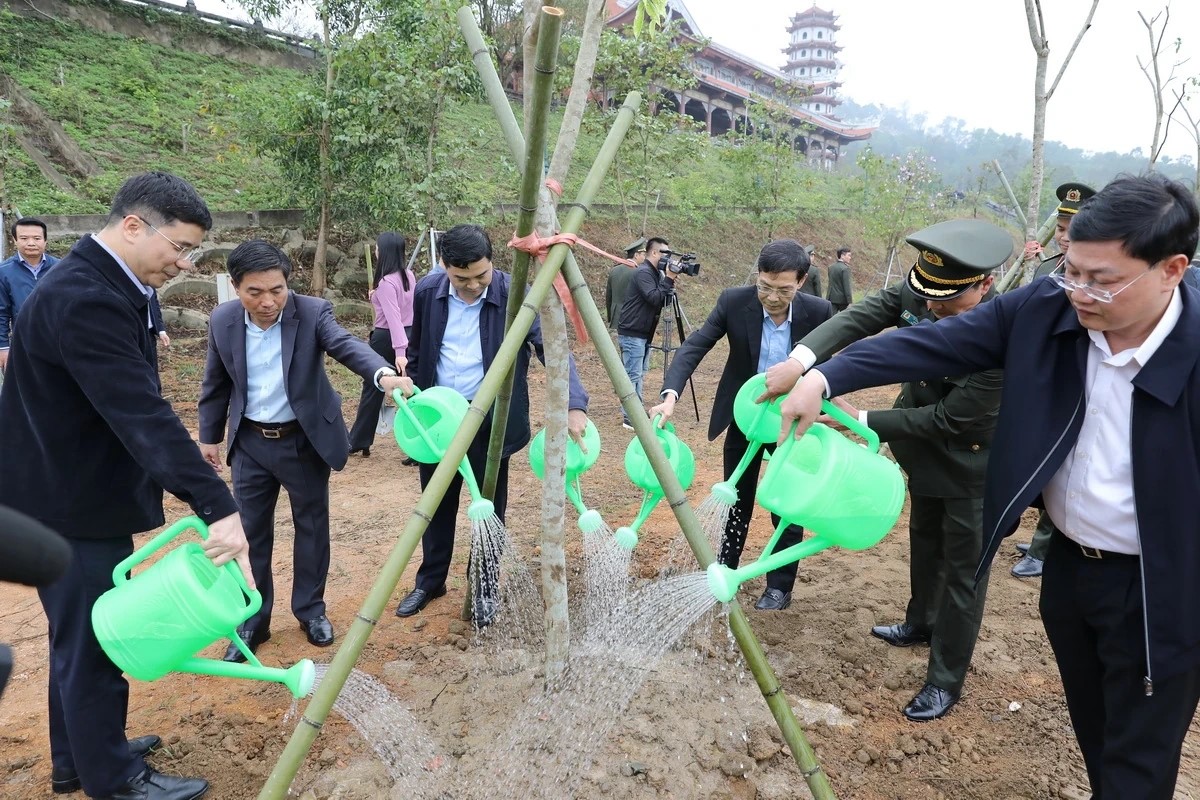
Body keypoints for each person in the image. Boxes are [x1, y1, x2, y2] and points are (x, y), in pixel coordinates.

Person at [777, 173, 1200, 798]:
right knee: (1101, 735)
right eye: (1071, 271)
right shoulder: (1046, 308)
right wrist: (824, 376)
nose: (1079, 292)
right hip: (1071, 575)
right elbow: (936, 341)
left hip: (1162, 589)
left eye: (1102, 281)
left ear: (1172, 269)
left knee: (1138, 758)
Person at [0, 171, 253, 800]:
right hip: (67, 505)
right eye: (179, 246)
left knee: (79, 638)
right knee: (94, 643)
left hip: (61, 494)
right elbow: (141, 413)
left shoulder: (108, 280)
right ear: (134, 226)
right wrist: (218, 504)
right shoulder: (87, 296)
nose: (184, 262)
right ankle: (112, 780)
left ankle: (81, 759)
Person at [763, 219, 1012, 722]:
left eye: (948, 300)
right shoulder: (928, 293)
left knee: (965, 573)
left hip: (972, 464)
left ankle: (945, 679)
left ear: (986, 285)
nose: (933, 308)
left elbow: (950, 418)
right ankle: (920, 622)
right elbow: (860, 317)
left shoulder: (1005, 336)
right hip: (920, 457)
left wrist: (859, 419)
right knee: (924, 540)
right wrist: (802, 361)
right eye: (928, 296)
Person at [198, 240, 406, 663]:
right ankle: (253, 619)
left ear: (287, 284)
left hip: (302, 439)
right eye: (255, 292)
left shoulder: (311, 312)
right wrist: (209, 435)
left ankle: (311, 610)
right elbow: (215, 382)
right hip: (251, 442)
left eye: (276, 290)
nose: (268, 301)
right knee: (250, 533)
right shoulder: (222, 320)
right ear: (235, 287)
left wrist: (382, 373)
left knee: (311, 527)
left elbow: (346, 345)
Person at [393, 224, 590, 624]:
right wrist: (411, 391)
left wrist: (573, 403)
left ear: (493, 263)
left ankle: (484, 588)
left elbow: (552, 350)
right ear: (444, 267)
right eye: (460, 278)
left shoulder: (513, 294)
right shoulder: (429, 292)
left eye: (480, 276)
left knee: (489, 507)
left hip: (492, 419)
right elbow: (417, 350)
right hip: (439, 418)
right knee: (435, 503)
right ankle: (431, 581)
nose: (472, 286)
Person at [648, 239, 833, 610]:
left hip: (792, 420)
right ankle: (725, 571)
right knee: (736, 497)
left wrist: (832, 401)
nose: (772, 297)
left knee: (786, 501)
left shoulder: (820, 311)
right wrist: (671, 393)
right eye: (764, 286)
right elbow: (695, 345)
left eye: (784, 289)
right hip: (746, 417)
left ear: (802, 280)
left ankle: (779, 586)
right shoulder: (735, 301)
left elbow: (835, 363)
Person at [1013, 182, 1097, 579]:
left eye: (1073, 228)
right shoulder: (1049, 269)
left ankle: (1044, 549)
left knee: (1066, 463)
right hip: (1044, 383)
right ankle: (1042, 538)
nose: (1064, 237)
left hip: (1080, 390)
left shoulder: (1098, 280)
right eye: (1061, 227)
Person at [348, 232, 416, 456]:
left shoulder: (387, 282)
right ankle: (418, 440)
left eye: (377, 247)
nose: (375, 251)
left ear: (383, 251)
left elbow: (393, 318)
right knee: (410, 388)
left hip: (388, 337)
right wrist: (376, 296)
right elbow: (405, 309)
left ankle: (359, 440)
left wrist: (400, 351)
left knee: (373, 386)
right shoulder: (408, 275)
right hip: (408, 332)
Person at [616, 236, 676, 429]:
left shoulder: (655, 274)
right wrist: (669, 279)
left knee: (640, 373)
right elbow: (653, 297)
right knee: (633, 375)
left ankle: (636, 411)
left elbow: (662, 300)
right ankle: (630, 416)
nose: (667, 259)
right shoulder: (643, 273)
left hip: (643, 332)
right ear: (654, 253)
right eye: (665, 254)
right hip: (633, 331)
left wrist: (669, 282)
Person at [0, 216, 61, 370]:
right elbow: (1, 312)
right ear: (15, 240)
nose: (31, 243)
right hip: (23, 343)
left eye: (36, 238)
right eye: (24, 238)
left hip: (58, 342)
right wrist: (3, 348)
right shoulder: (4, 271)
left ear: (45, 241)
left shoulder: (61, 268)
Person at [605, 237, 644, 331]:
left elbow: (608, 296)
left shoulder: (614, 270)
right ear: (636, 255)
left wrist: (610, 316)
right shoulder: (638, 272)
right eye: (643, 254)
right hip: (632, 318)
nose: (644, 257)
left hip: (616, 317)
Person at [826, 247, 854, 312]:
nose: (850, 257)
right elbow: (847, 286)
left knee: (831, 319)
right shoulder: (845, 269)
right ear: (842, 256)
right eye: (849, 255)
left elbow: (831, 284)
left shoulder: (831, 267)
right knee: (844, 319)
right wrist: (850, 301)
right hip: (843, 300)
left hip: (831, 298)